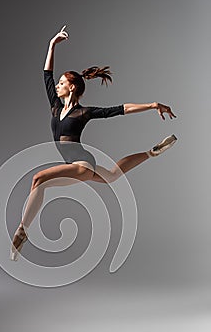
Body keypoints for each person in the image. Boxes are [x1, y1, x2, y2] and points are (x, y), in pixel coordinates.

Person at [10, 25, 177, 261]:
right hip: (77, 164)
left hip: (82, 163)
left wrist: (151, 105)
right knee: (111, 175)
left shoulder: (84, 113)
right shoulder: (56, 107)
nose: (57, 85)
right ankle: (151, 153)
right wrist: (51, 45)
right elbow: (46, 75)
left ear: (72, 87)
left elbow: (120, 109)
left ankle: (22, 231)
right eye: (58, 83)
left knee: (38, 179)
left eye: (61, 83)